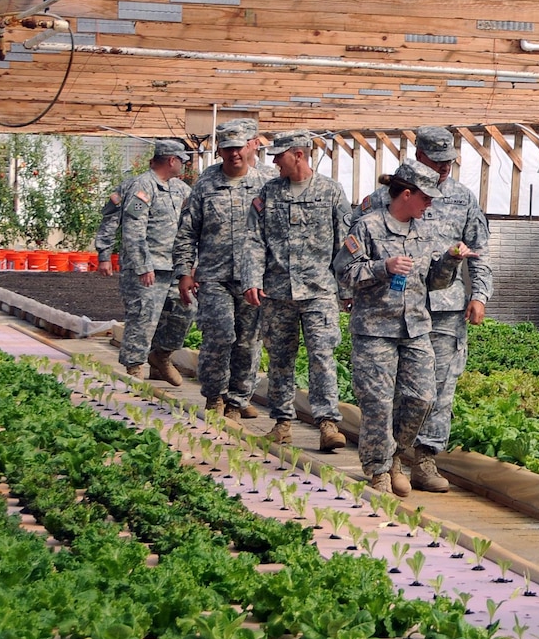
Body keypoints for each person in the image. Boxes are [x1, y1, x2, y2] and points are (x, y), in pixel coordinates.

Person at [351, 125, 492, 491]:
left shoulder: (463, 198)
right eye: (436, 161)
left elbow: (479, 251)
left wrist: (480, 294)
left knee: (436, 389)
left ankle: (424, 460)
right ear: (419, 157)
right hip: (388, 308)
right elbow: (352, 256)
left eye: (449, 162)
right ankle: (387, 461)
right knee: (386, 391)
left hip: (442, 303)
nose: (443, 168)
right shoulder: (380, 201)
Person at [242, 130, 356, 452]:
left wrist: (345, 289)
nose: (274, 161)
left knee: (323, 357)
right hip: (277, 293)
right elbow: (254, 240)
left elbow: (345, 244)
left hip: (319, 291)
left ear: (299, 155)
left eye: (280, 155)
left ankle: (328, 424)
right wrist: (252, 279)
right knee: (280, 359)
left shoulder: (331, 192)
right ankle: (282, 423)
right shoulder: (269, 193)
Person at [174, 119, 269, 420]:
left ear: (250, 146)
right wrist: (185, 271)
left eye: (238, 148)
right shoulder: (205, 183)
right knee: (219, 334)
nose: (233, 155)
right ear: (220, 151)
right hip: (213, 276)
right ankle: (214, 396)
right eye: (227, 149)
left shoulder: (265, 185)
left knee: (248, 340)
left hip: (251, 278)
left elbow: (274, 234)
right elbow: (187, 232)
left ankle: (238, 400)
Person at [101, 138, 195, 383]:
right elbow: (133, 229)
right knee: (143, 317)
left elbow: (192, 228)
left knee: (185, 312)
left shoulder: (181, 189)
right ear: (172, 160)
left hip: (175, 268)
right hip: (148, 267)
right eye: (182, 161)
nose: (184, 166)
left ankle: (160, 357)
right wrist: (143, 265)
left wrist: (190, 265)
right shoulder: (142, 187)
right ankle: (134, 367)